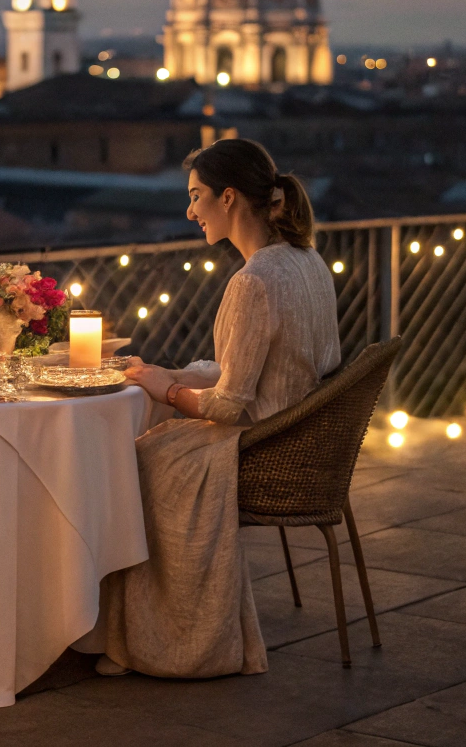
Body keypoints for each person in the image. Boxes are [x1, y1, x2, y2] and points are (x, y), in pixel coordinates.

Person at [100, 138, 342, 678]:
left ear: (228, 198)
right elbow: (265, 369)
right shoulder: (307, 261)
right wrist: (167, 376)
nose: (189, 211)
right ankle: (131, 627)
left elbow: (230, 406)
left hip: (265, 448)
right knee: (156, 436)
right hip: (302, 438)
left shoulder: (253, 280)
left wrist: (165, 391)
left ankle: (163, 638)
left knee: (138, 460)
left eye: (196, 196)